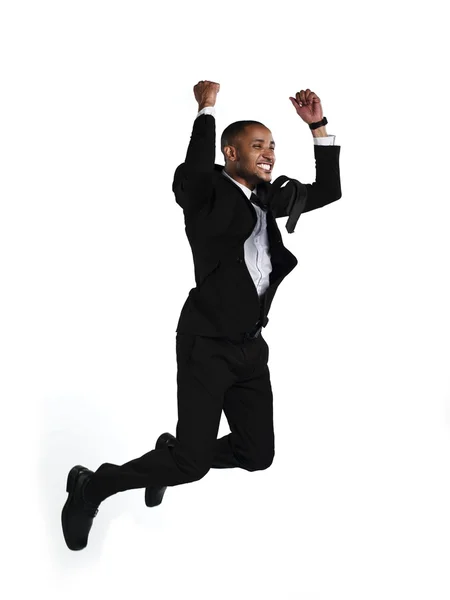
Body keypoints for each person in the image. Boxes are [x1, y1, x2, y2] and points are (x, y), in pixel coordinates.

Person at [61, 80, 342, 551]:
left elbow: (329, 191)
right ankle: (94, 485)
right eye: (258, 145)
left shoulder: (269, 200)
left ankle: (170, 456)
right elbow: (193, 174)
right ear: (230, 153)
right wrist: (205, 111)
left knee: (257, 453)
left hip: (250, 347)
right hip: (205, 344)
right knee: (191, 468)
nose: (269, 153)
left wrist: (318, 127)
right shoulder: (206, 192)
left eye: (272, 145)